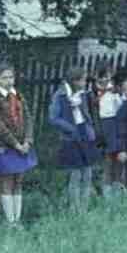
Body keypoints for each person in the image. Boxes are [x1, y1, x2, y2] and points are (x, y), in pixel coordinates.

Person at [0, 64, 36, 224]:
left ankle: (17, 218)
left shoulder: (19, 96)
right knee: (6, 182)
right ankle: (10, 221)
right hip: (6, 146)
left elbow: (28, 119)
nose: (9, 80)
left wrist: (28, 140)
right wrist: (16, 144)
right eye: (4, 78)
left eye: (11, 77)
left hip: (23, 145)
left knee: (18, 181)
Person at [48, 66, 100, 210]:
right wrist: (71, 129)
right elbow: (53, 118)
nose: (85, 82)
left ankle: (84, 208)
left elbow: (87, 113)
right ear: (74, 81)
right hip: (70, 138)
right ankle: (74, 209)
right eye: (83, 80)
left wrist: (90, 129)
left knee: (88, 173)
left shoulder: (83, 94)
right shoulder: (60, 95)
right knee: (75, 175)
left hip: (86, 135)